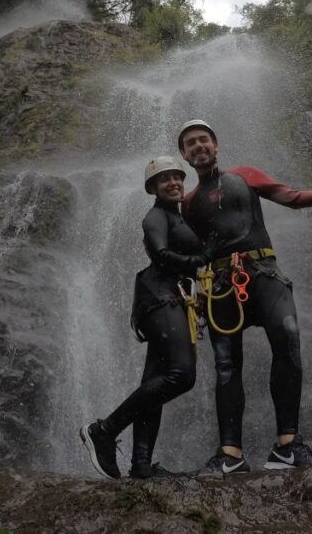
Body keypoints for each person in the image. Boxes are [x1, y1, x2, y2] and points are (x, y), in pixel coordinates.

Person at [177, 119, 312, 474]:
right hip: (220, 285)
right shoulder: (188, 202)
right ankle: (230, 454)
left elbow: (292, 197)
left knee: (287, 339)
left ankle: (287, 445)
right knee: (226, 365)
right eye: (190, 143)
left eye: (203, 140)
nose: (198, 146)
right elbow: (191, 254)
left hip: (263, 273)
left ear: (216, 145)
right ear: (184, 154)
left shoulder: (245, 175)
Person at [79, 156, 208, 479]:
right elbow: (162, 254)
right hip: (160, 298)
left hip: (167, 298)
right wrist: (203, 257)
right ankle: (104, 429)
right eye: (164, 179)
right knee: (182, 375)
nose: (173, 183)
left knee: (154, 383)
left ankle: (141, 464)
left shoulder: (176, 216)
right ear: (152, 187)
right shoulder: (155, 217)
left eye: (177, 177)